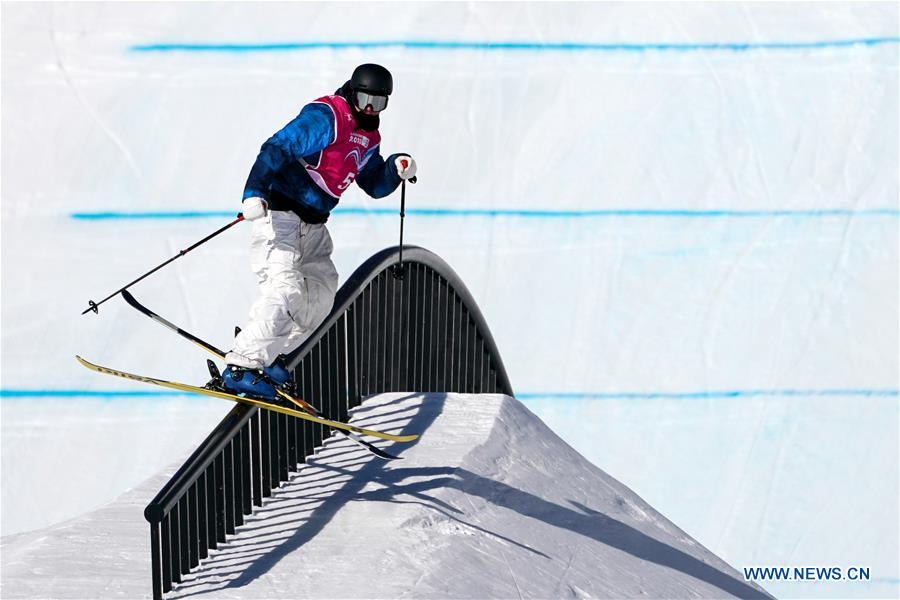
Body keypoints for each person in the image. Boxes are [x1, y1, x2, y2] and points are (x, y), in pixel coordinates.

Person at [222, 63, 417, 399]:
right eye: (365, 99)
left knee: (319, 298)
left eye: (378, 102)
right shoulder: (328, 116)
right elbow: (277, 147)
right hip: (280, 215)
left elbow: (372, 183)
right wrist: (254, 191)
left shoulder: (369, 136)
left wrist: (394, 168)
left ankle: (267, 356)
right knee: (284, 290)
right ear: (353, 92)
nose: (370, 108)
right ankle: (242, 364)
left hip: (314, 226)